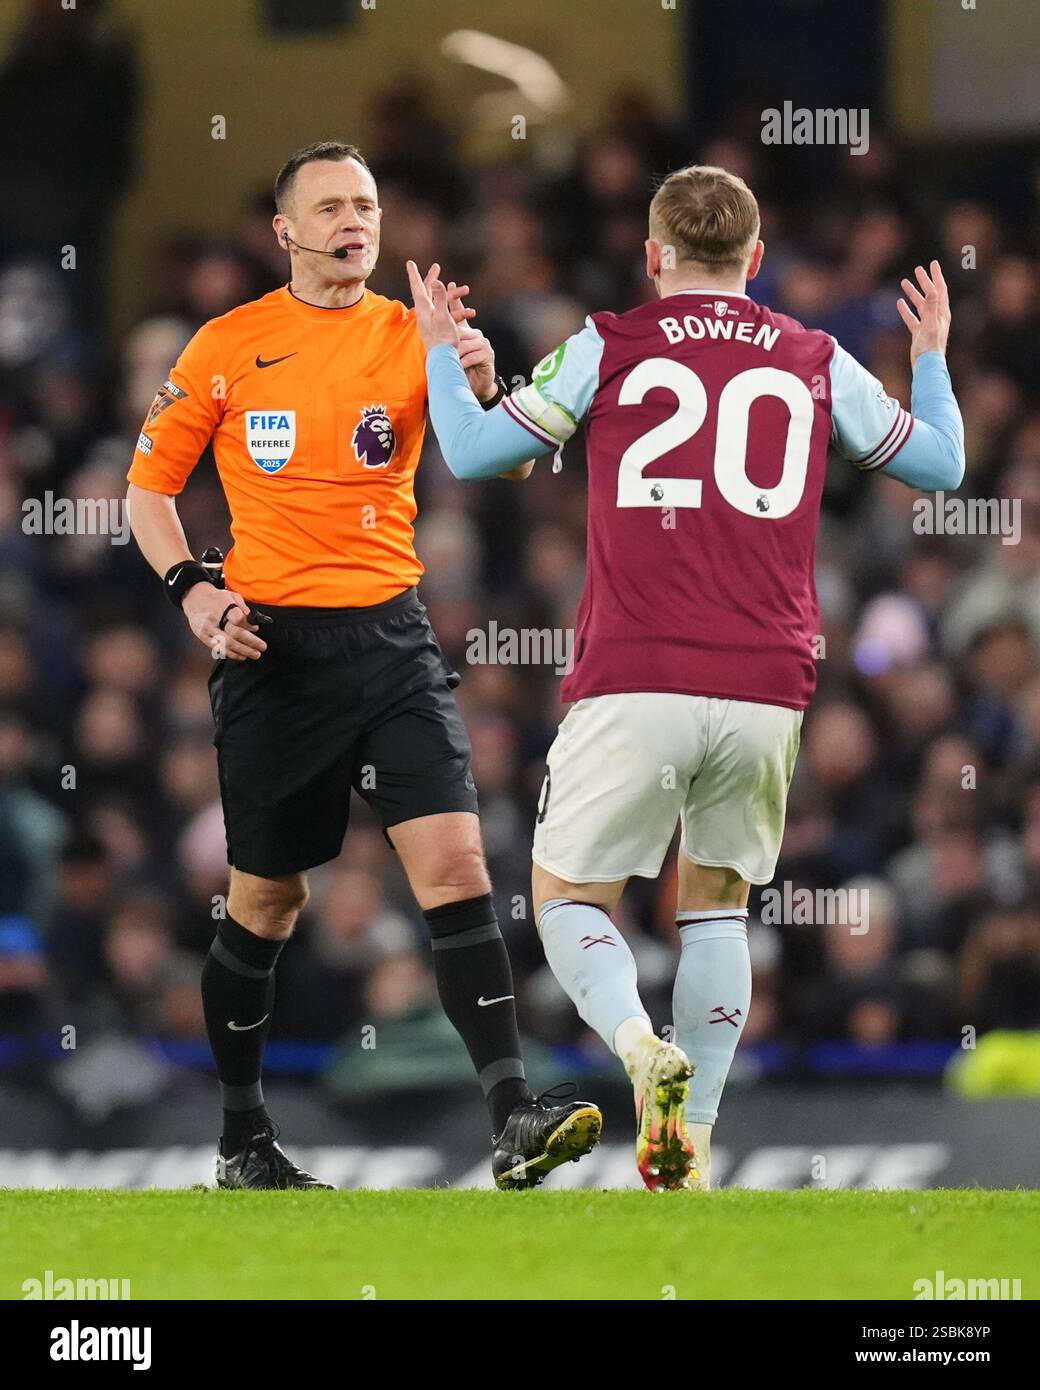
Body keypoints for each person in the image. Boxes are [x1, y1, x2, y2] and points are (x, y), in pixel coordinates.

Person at [408, 162, 965, 1190]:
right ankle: (690, 1143)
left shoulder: (609, 344)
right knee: (713, 904)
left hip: (635, 670)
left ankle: (633, 1044)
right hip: (765, 682)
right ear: (754, 261)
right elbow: (938, 466)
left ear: (652, 254)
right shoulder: (810, 355)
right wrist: (928, 359)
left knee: (567, 897)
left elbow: (478, 449)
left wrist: (444, 357)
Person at [125, 140, 601, 1191]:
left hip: (390, 639)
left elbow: (506, 456)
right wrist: (194, 591)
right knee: (267, 904)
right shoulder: (228, 344)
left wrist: (478, 377)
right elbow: (146, 493)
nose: (355, 221)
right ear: (283, 230)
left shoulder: (412, 334)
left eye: (368, 205)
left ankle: (510, 1116)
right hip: (272, 654)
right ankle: (242, 1139)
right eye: (331, 206)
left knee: (459, 869)